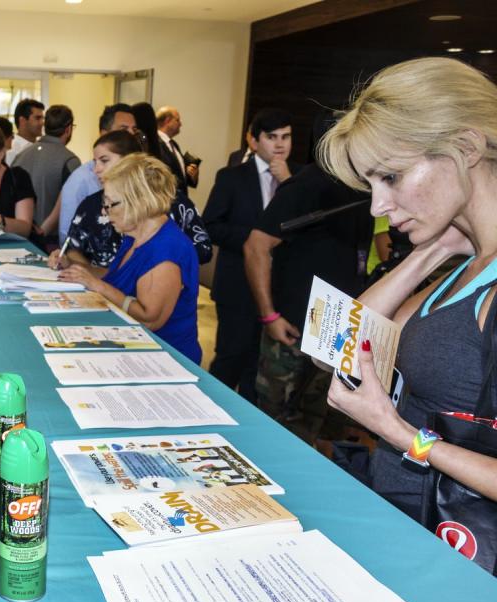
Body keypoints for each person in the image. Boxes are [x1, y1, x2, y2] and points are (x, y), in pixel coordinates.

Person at [319, 57, 497, 514]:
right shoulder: (466, 264)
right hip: (406, 518)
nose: (379, 206)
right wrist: (430, 252)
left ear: (466, 147)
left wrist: (399, 434)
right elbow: (338, 344)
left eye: (392, 177)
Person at [243, 112, 372, 446]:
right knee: (273, 420)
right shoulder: (306, 185)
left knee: (316, 421)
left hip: (335, 329)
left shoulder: (364, 188)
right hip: (293, 327)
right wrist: (269, 315)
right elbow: (256, 246)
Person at [58, 154, 202, 363]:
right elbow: (117, 278)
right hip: (133, 348)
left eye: (110, 204)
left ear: (138, 202)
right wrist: (78, 269)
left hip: (164, 359)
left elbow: (149, 319)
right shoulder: (135, 234)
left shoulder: (165, 251)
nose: (104, 212)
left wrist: (97, 286)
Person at [203, 108, 301, 402]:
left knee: (260, 369)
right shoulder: (232, 177)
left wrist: (288, 184)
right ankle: (211, 411)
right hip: (237, 286)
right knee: (230, 358)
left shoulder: (298, 179)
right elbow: (211, 225)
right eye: (272, 137)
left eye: (286, 137)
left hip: (279, 288)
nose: (280, 144)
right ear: (253, 140)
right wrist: (257, 241)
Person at [49, 130, 211, 273]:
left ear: (130, 161)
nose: (96, 169)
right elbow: (72, 247)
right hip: (99, 290)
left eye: (104, 161)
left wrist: (160, 267)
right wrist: (82, 267)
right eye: (95, 161)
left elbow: (202, 249)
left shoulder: (170, 201)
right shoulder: (90, 204)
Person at [57, 103, 138, 243]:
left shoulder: (152, 191)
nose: (131, 134)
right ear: (104, 134)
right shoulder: (82, 180)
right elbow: (68, 240)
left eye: (134, 130)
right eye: (123, 129)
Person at [12, 104, 81, 242]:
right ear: (68, 129)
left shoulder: (21, 156)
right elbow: (72, 201)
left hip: (18, 234)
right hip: (51, 238)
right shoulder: (70, 160)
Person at [156, 105, 200, 193]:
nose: (180, 124)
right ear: (167, 120)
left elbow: (179, 175)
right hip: (165, 201)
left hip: (179, 201)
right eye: (177, 120)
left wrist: (191, 175)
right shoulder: (155, 144)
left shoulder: (174, 145)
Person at [6, 98, 44, 165]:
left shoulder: (43, 146)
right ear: (22, 121)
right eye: (37, 118)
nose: (42, 122)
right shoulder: (12, 150)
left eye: (42, 118)